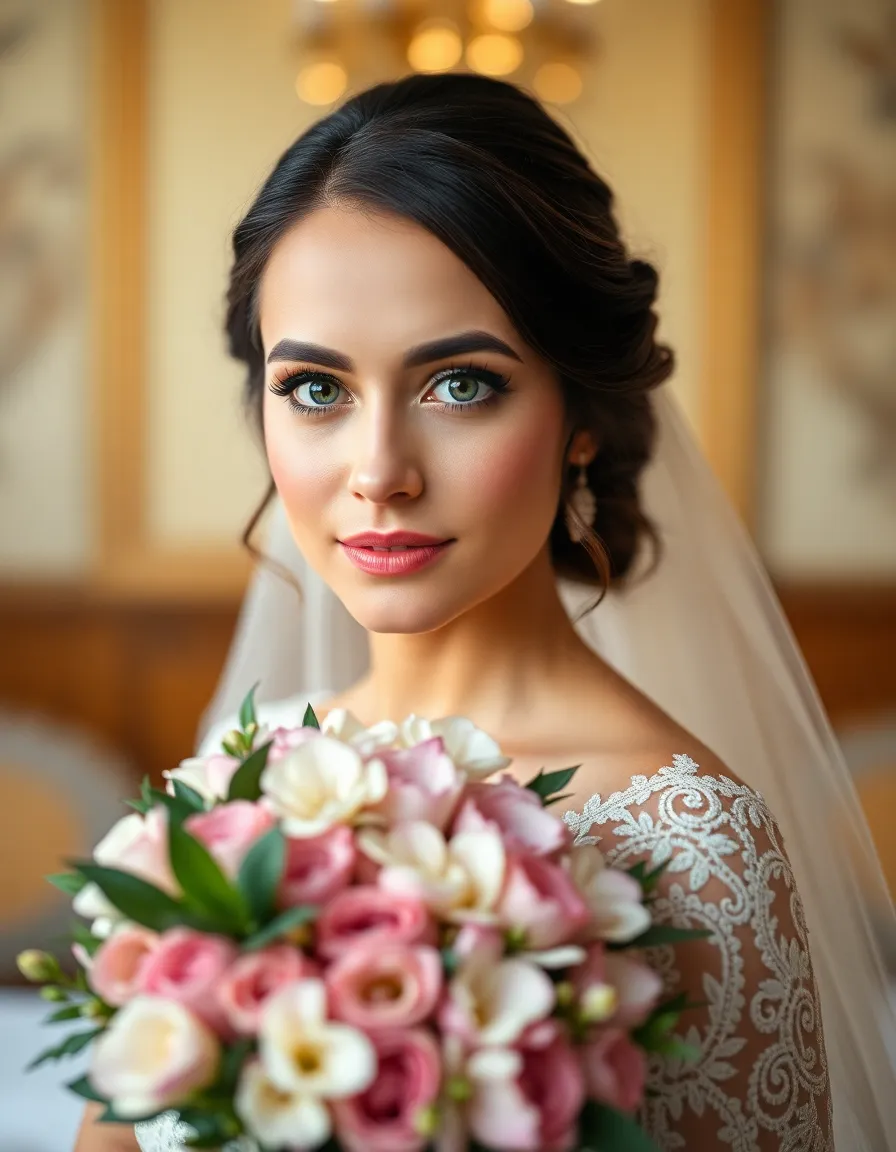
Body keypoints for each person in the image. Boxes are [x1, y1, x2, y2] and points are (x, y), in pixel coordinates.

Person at [77, 72, 896, 1152]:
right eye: (316, 389)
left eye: (459, 384)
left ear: (581, 418)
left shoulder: (695, 859)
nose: (378, 473)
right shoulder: (219, 800)